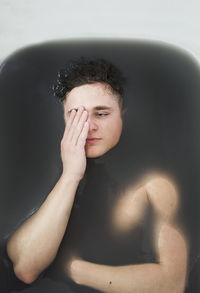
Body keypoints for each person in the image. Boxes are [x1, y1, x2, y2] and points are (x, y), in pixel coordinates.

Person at [6, 58, 188, 293]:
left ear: (123, 114)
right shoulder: (43, 171)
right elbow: (25, 268)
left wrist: (71, 269)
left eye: (101, 114)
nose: (88, 126)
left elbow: (171, 284)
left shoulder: (155, 183)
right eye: (76, 115)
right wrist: (71, 175)